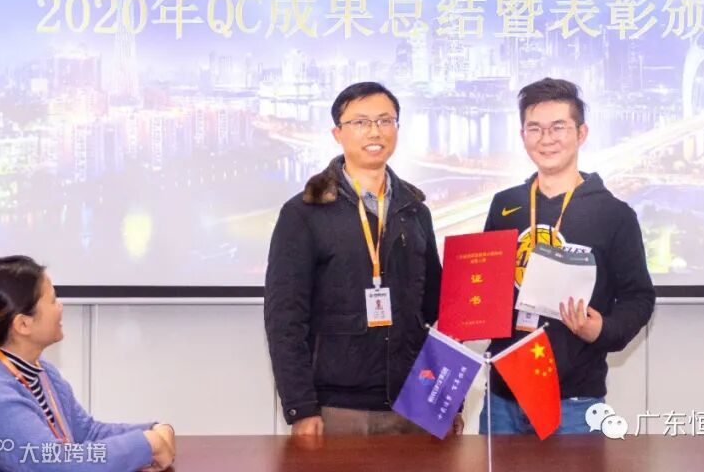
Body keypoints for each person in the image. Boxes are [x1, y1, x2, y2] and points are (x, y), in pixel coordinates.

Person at [264, 82, 453, 436]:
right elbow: (284, 319)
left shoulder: (415, 211)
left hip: (413, 403)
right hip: (337, 408)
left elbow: (434, 310)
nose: (375, 132)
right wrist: (301, 407)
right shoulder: (305, 212)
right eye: (361, 122)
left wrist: (444, 397)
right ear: (338, 133)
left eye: (385, 121)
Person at [481, 78, 656, 434]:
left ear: (582, 133)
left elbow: (639, 298)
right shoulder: (505, 205)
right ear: (523, 136)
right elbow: (486, 285)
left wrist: (601, 330)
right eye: (535, 128)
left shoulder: (613, 214)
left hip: (575, 401)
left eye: (558, 127)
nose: (546, 139)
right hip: (503, 397)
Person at [0, 256, 175, 472]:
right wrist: (146, 444)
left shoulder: (40, 370)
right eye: (53, 300)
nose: (60, 307)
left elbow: (86, 433)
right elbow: (57, 464)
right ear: (23, 324)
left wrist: (154, 430)